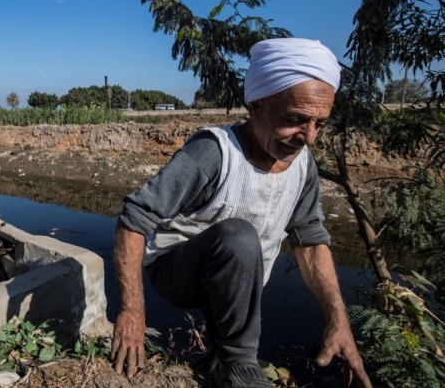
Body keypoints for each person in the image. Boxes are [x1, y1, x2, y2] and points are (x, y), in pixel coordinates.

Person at [111, 38, 372, 388]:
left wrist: (338, 320)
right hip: (178, 270)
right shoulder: (213, 152)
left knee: (241, 245)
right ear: (257, 106)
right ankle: (240, 361)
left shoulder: (302, 161)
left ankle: (219, 358)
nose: (308, 137)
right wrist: (132, 312)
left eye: (319, 124)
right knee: (239, 236)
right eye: (295, 120)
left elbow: (309, 238)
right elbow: (134, 216)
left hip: (238, 279)